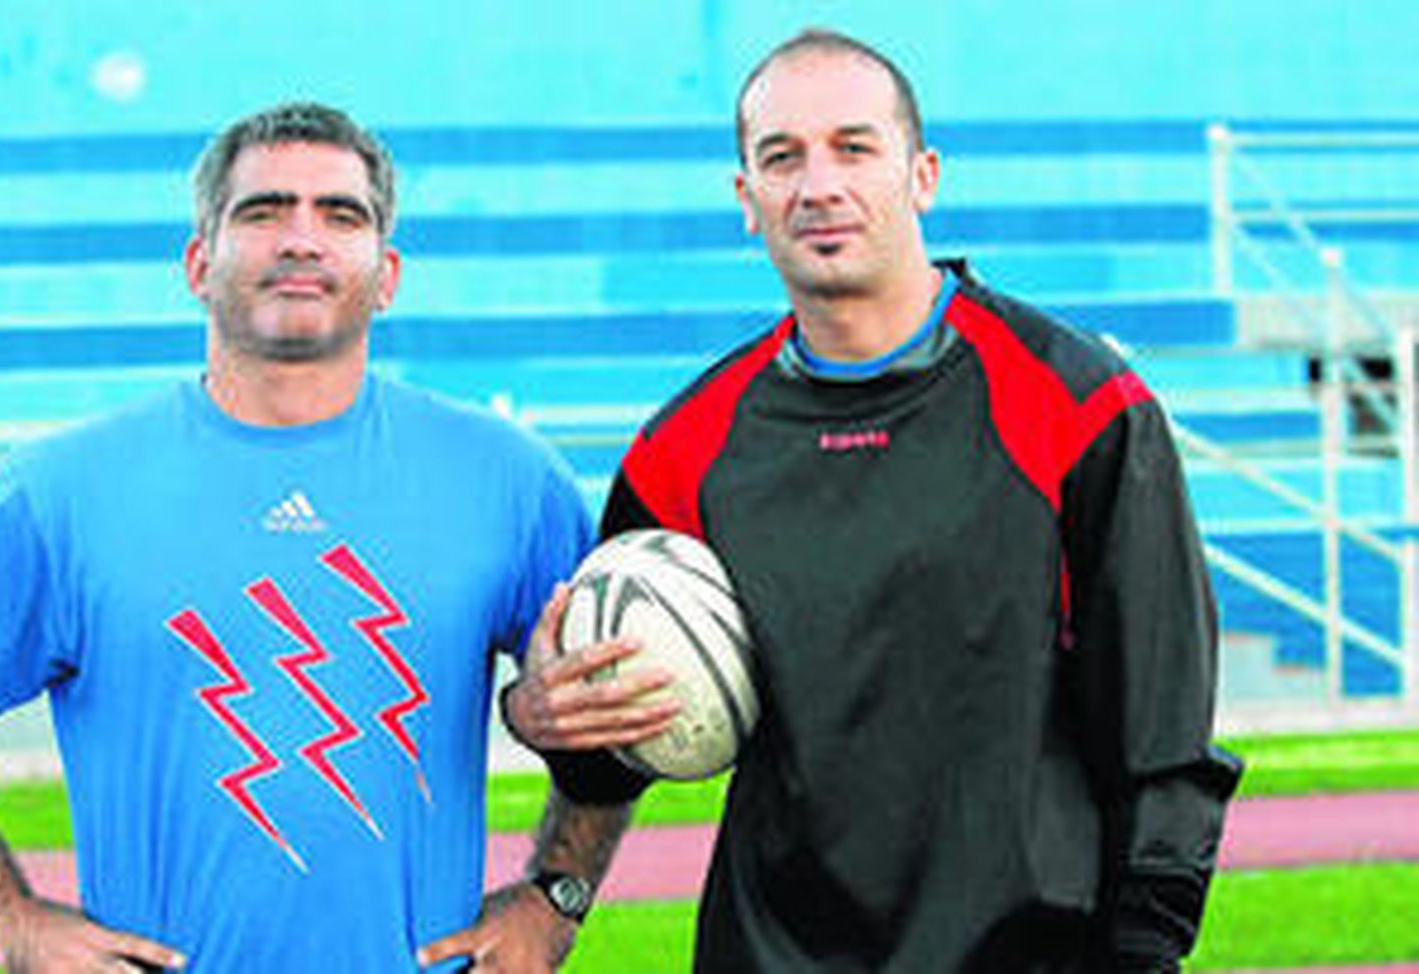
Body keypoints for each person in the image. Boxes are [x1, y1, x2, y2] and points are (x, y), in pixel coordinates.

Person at [493, 28, 1244, 973]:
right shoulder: (682, 448)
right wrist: (553, 732)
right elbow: (625, 736)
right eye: (782, 158)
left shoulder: (1079, 402)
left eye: (854, 148)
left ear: (921, 176)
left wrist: (1142, 954)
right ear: (747, 199)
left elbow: (1162, 733)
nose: (819, 186)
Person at [0, 101, 656, 972]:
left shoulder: (510, 481)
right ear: (199, 264)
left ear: (387, 274)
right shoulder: (61, 489)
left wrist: (559, 893)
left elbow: (616, 704)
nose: (302, 240)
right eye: (264, 211)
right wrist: (7, 916)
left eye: (340, 215)